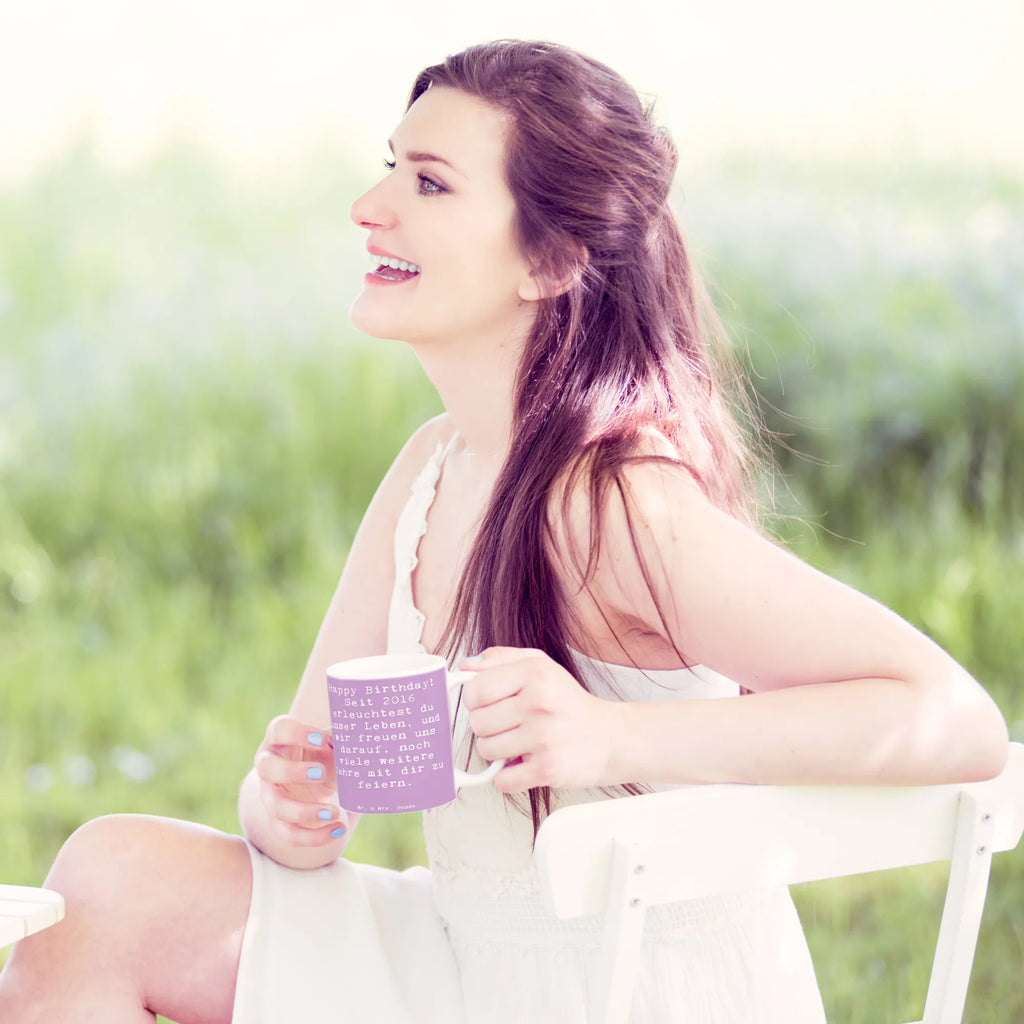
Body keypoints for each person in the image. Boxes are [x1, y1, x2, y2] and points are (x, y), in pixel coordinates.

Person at [0, 39, 1009, 1024]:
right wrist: (290, 807)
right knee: (107, 881)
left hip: (623, 982)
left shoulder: (611, 502)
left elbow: (949, 718)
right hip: (469, 954)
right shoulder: (433, 468)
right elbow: (313, 764)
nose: (369, 206)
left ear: (549, 258)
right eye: (388, 166)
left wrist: (610, 732)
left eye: (429, 183)